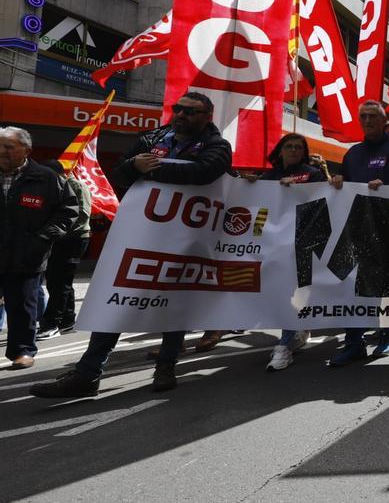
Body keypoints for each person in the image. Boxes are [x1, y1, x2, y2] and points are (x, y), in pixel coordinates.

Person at [32, 92, 230, 397]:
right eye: (178, 109)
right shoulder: (151, 139)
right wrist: (135, 166)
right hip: (139, 235)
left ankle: (166, 365)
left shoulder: (218, 145)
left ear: (207, 117)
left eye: (190, 112)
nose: (181, 115)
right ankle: (88, 373)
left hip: (185, 241)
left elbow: (204, 173)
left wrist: (150, 168)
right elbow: (119, 174)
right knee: (117, 296)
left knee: (174, 302)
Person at [326, 100, 389, 366]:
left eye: (372, 117)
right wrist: (337, 181)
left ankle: (387, 336)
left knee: (385, 287)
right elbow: (343, 182)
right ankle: (354, 343)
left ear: (383, 121)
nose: (367, 121)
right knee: (352, 287)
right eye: (363, 117)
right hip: (356, 229)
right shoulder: (353, 153)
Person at [242, 133, 327, 371]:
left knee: (290, 292)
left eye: (298, 147)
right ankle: (296, 331)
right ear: (279, 151)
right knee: (277, 293)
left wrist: (298, 191)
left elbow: (320, 202)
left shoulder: (313, 173)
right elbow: (260, 212)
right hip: (272, 245)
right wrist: (249, 188)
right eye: (288, 146)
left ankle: (285, 345)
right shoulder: (268, 177)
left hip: (299, 242)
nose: (293, 151)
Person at [1, 127, 80, 370]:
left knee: (22, 305)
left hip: (26, 254)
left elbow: (68, 211)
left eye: (8, 147)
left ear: (26, 150)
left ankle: (22, 351)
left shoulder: (47, 178)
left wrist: (44, 238)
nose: (2, 152)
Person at [37, 160, 92, 340]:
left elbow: (82, 214)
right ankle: (67, 320)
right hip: (57, 239)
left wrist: (58, 230)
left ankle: (51, 323)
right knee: (57, 279)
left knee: (60, 280)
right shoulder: (52, 187)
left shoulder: (76, 186)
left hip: (75, 238)